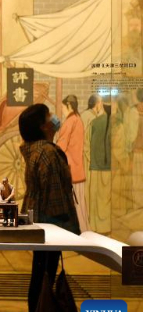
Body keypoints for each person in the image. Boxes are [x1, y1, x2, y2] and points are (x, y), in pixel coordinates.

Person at [19, 103, 80, 312]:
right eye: (49, 117)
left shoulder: (36, 151)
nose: (54, 119)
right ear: (43, 126)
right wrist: (66, 229)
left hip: (38, 221)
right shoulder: (47, 153)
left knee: (39, 279)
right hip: (50, 225)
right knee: (43, 280)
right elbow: (56, 195)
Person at [56, 95, 89, 232]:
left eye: (63, 107)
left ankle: (77, 230)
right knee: (79, 202)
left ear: (69, 106)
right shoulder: (78, 120)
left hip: (70, 168)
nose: (62, 110)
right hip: (77, 166)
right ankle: (82, 229)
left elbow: (61, 146)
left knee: (73, 202)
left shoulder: (70, 121)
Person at [87, 96, 111, 233]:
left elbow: (86, 144)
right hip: (108, 167)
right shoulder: (116, 124)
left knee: (95, 199)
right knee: (105, 200)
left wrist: (89, 159)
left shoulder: (94, 123)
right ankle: (105, 227)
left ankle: (95, 228)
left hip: (95, 166)